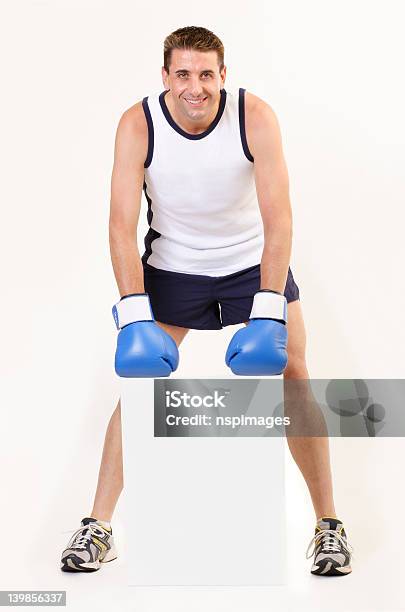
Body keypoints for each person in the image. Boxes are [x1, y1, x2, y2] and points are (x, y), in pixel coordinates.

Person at [61, 26, 353, 577]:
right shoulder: (138, 124)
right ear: (165, 75)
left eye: (206, 74)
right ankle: (98, 526)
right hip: (175, 267)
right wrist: (133, 314)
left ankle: (329, 526)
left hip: (251, 264)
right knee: (139, 383)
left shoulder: (254, 116)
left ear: (223, 74)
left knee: (294, 370)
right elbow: (120, 226)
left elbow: (279, 216)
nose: (195, 87)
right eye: (183, 74)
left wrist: (268, 303)